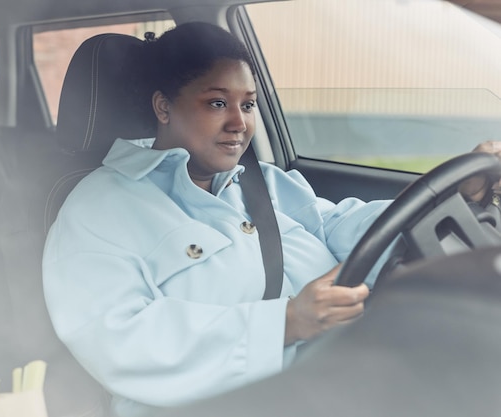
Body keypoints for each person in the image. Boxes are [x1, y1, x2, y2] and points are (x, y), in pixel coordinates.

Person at [42, 22, 500, 417]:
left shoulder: (265, 184)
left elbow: (347, 229)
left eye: (248, 104)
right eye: (217, 103)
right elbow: (120, 339)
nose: (239, 122)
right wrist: (286, 321)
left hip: (338, 384)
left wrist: (449, 196)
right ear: (164, 107)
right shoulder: (98, 208)